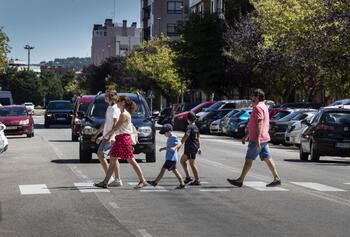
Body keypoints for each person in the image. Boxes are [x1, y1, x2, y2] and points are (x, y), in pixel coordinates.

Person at [227, 89, 281, 188]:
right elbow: (254, 124)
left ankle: (240, 180)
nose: (252, 98)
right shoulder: (264, 106)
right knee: (268, 158)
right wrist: (246, 136)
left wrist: (257, 139)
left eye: (253, 96)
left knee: (249, 159)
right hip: (263, 138)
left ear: (257, 97)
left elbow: (259, 123)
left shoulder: (258, 108)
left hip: (257, 139)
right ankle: (276, 178)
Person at [94, 96, 148, 189]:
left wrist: (102, 137)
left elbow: (115, 128)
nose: (117, 103)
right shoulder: (122, 113)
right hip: (120, 139)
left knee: (131, 160)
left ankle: (143, 180)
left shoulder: (124, 115)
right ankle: (106, 182)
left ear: (123, 103)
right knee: (113, 159)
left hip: (124, 139)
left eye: (118, 101)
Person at [91, 90, 122, 187]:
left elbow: (115, 124)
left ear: (110, 98)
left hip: (111, 137)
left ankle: (111, 178)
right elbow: (106, 122)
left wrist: (106, 137)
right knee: (114, 158)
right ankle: (116, 179)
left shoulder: (114, 109)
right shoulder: (109, 107)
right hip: (107, 135)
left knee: (101, 154)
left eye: (106, 96)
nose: (105, 98)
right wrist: (97, 134)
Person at [147, 124, 185, 189]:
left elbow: (180, 143)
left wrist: (175, 148)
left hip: (171, 158)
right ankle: (182, 183)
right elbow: (169, 147)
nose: (164, 135)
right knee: (175, 171)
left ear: (169, 131)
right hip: (170, 158)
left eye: (165, 133)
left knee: (163, 170)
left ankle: (155, 182)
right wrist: (163, 148)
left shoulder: (174, 137)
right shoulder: (170, 138)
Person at [175, 112, 202, 186]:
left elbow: (185, 136)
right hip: (193, 147)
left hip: (190, 148)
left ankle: (197, 180)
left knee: (192, 164)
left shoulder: (189, 127)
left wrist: (179, 145)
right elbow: (198, 138)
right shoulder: (195, 127)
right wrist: (199, 147)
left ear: (188, 119)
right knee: (182, 161)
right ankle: (188, 177)